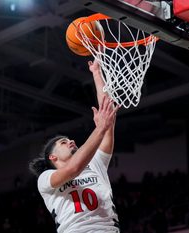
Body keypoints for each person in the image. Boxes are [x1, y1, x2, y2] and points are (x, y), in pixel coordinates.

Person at [29, 60, 120, 233]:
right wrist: (100, 128)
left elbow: (108, 118)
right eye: (63, 142)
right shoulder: (46, 179)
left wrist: (96, 73)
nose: (71, 141)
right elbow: (73, 169)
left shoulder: (96, 164)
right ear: (52, 157)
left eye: (70, 140)